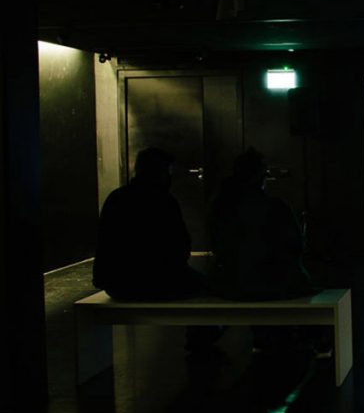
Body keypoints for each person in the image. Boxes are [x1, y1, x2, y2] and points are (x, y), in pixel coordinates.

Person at [208, 148, 323, 355]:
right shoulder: (275, 207)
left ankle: (263, 337)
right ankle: (310, 341)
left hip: (231, 283)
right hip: (272, 284)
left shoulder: (220, 206)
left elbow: (218, 246)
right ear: (261, 175)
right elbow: (295, 248)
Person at [93, 147, 204, 300]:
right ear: (162, 172)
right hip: (158, 283)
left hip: (117, 285)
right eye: (169, 171)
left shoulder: (116, 198)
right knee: (206, 289)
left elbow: (105, 244)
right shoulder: (164, 201)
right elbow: (180, 246)